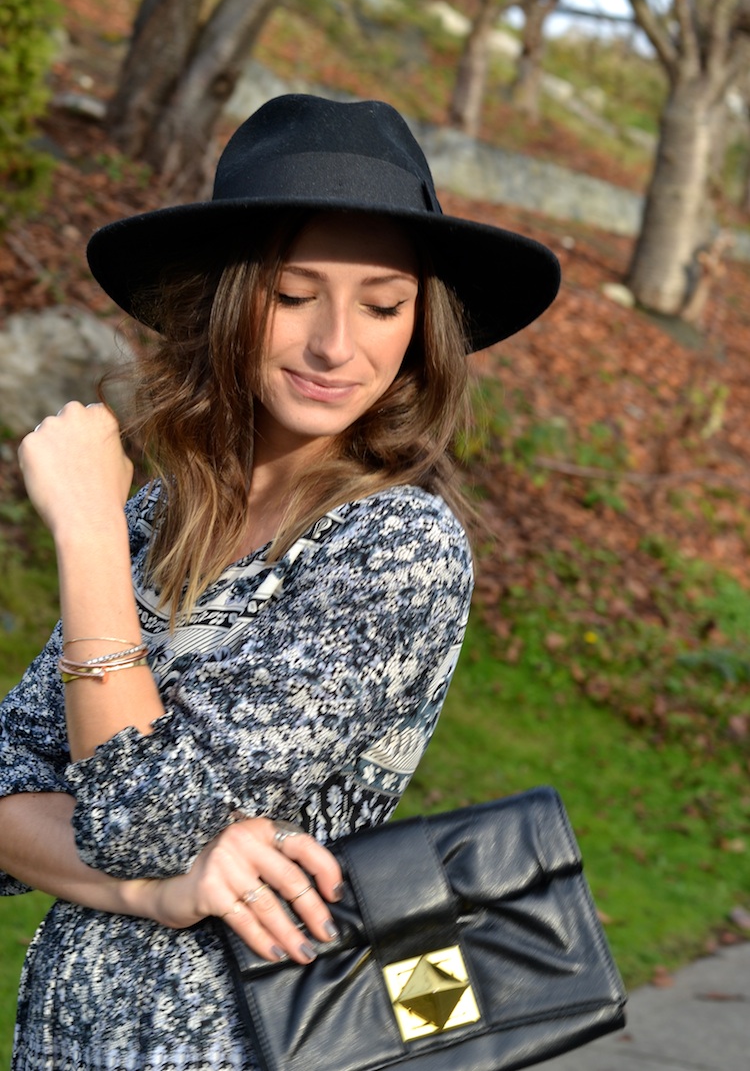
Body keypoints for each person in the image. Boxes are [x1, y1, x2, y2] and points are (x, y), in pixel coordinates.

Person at [0, 94, 560, 1070]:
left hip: (248, 1037)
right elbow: (9, 799)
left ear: (420, 324)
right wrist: (156, 891)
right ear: (227, 300)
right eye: (295, 295)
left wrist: (85, 534)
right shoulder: (154, 519)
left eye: (383, 305)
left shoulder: (396, 550)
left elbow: (139, 816)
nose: (337, 344)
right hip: (69, 1040)